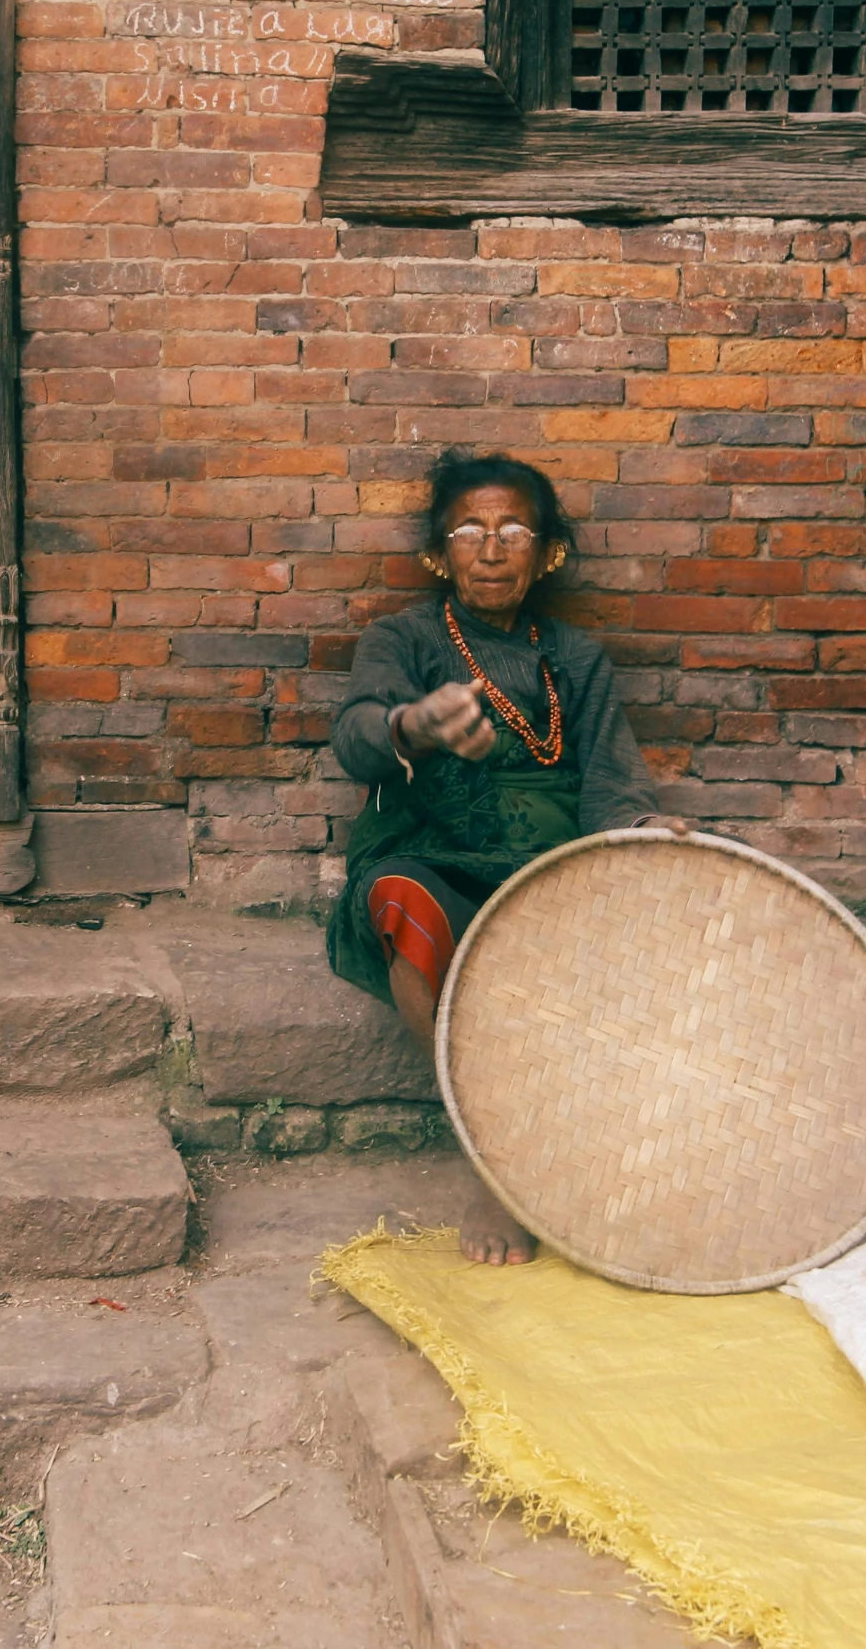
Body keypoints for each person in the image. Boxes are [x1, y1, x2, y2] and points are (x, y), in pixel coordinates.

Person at [327, 450, 688, 1266]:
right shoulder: (403, 641)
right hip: (436, 857)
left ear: (549, 552)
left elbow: (609, 782)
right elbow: (356, 736)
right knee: (401, 905)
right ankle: (496, 1160)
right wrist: (415, 725)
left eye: (514, 530)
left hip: (548, 868)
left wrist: (637, 829)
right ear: (436, 554)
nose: (491, 549)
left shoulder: (577, 658)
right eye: (468, 530)